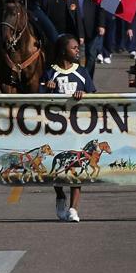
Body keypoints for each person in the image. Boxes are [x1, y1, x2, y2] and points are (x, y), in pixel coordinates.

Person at [41, 35, 96, 223]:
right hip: (55, 129)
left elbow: (94, 96)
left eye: (77, 48)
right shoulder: (50, 72)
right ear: (64, 51)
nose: (77, 51)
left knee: (76, 168)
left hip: (77, 129)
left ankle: (73, 208)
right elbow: (37, 100)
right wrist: (47, 89)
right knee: (57, 168)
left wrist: (85, 94)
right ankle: (60, 196)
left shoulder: (81, 72)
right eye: (73, 48)